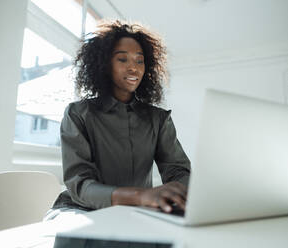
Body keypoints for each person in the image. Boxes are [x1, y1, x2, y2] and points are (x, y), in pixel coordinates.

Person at [44, 20, 191, 221]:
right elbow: (80, 185)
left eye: (139, 61)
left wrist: (179, 194)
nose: (133, 68)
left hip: (135, 211)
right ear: (105, 64)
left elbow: (178, 170)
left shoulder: (158, 119)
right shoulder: (78, 113)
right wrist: (140, 195)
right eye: (123, 59)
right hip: (79, 210)